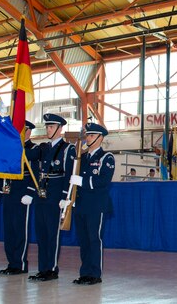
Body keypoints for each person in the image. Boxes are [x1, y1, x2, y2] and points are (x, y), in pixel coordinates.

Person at [28, 114, 76, 282]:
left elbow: (69, 174)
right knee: (41, 233)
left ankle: (52, 269)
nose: (48, 129)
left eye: (51, 126)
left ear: (59, 128)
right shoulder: (43, 148)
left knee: (52, 234)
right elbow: (28, 157)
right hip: (42, 194)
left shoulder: (67, 148)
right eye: (47, 126)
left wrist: (65, 196)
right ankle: (43, 268)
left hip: (56, 195)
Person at [66, 122, 115, 286]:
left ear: (100, 138)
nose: (88, 138)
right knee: (84, 240)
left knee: (94, 239)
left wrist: (82, 181)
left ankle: (95, 273)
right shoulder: (83, 157)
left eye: (92, 135)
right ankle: (85, 272)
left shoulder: (106, 157)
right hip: (80, 204)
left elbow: (103, 180)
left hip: (96, 205)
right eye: (88, 135)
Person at [0, 120, 41, 275]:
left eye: (23, 130)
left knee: (19, 229)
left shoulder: (34, 148)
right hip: (10, 191)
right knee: (9, 229)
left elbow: (36, 171)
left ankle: (20, 263)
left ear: (29, 132)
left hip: (23, 192)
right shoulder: (10, 147)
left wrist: (30, 192)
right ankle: (12, 262)